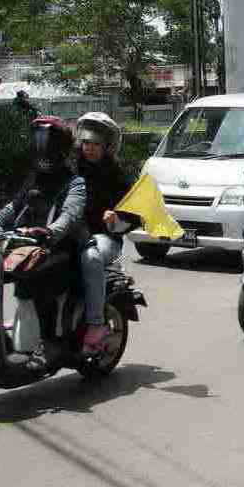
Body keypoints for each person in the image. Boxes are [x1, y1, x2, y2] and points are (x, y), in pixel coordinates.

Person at [0, 116, 88, 371]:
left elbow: (70, 216)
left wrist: (49, 232)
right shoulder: (34, 178)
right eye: (38, 140)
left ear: (60, 147)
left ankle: (50, 342)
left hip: (61, 249)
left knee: (40, 276)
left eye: (48, 142)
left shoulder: (74, 182)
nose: (42, 147)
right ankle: (3, 338)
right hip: (26, 245)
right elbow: (11, 209)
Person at [74, 112, 140, 355]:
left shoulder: (117, 175)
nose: (89, 148)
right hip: (71, 235)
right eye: (86, 142)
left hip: (104, 238)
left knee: (90, 258)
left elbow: (135, 215)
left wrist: (116, 218)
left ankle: (95, 324)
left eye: (95, 144)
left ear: (107, 146)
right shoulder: (71, 169)